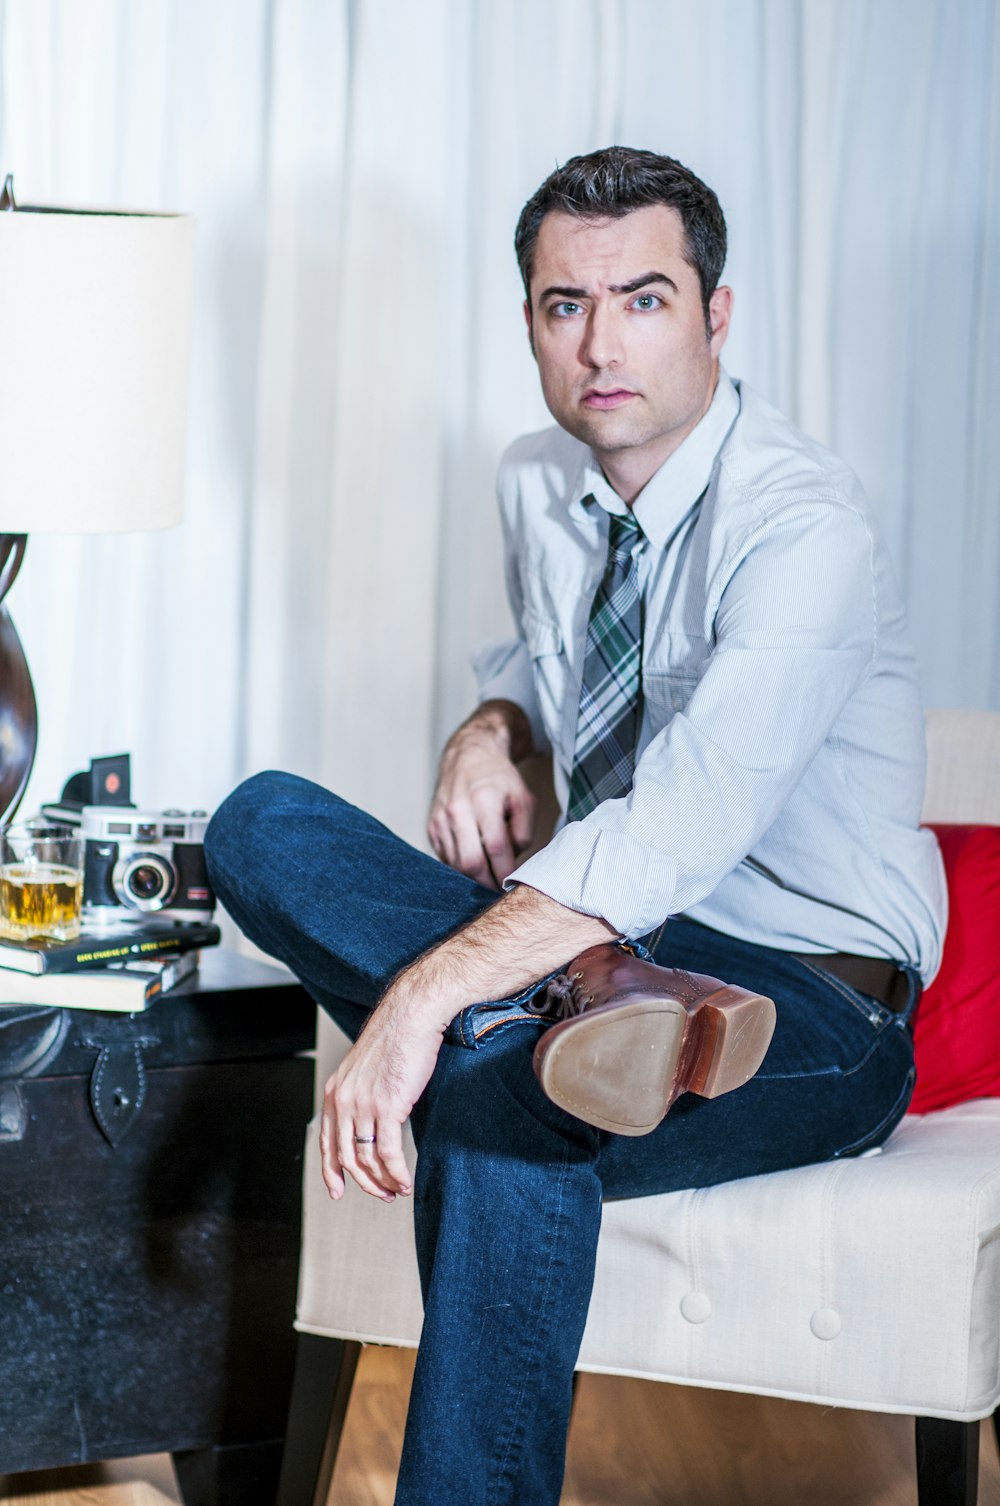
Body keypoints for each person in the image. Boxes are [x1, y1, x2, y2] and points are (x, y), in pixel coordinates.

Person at [205, 146, 946, 1506]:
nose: (600, 342)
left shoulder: (804, 529)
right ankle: (557, 1008)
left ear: (717, 317)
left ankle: (526, 1024)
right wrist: (492, 728)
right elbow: (557, 695)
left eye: (644, 298)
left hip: (809, 1006)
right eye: (563, 305)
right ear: (533, 321)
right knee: (258, 821)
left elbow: (678, 819)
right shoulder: (536, 483)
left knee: (497, 1100)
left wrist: (425, 1001)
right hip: (602, 956)